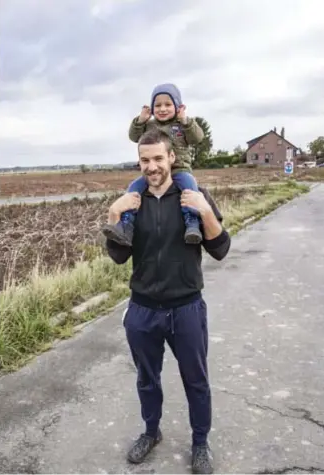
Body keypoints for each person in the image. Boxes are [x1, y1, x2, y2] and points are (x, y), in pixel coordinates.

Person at [104, 128, 231, 474]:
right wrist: (114, 214)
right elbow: (117, 256)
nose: (152, 166)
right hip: (143, 309)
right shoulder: (133, 201)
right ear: (139, 162)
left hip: (186, 308)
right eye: (145, 160)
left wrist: (205, 212)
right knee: (147, 378)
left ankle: (200, 442)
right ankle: (151, 431)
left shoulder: (193, 194)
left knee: (196, 380)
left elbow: (221, 250)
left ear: (172, 158)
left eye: (158, 158)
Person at [102, 83, 205, 247]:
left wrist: (185, 120)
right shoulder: (149, 126)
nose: (162, 109)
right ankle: (126, 225)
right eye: (157, 105)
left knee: (190, 188)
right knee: (134, 187)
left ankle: (192, 223)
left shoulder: (182, 125)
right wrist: (140, 120)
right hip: (154, 172)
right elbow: (134, 136)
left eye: (168, 104)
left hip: (180, 169)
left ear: (178, 106)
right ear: (151, 107)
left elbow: (197, 138)